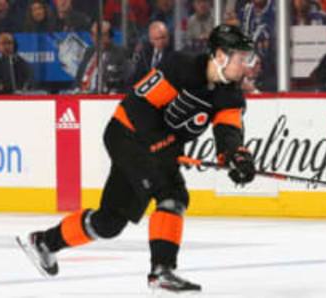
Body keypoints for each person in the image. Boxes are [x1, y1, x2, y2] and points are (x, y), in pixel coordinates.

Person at [17, 24, 256, 293]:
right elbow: (140, 106)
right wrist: (162, 144)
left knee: (110, 223)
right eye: (241, 57)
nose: (246, 65)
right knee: (172, 193)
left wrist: (236, 157)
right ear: (221, 55)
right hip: (126, 133)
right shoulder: (182, 67)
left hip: (155, 149)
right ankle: (161, 271)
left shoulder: (231, 95)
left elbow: (228, 133)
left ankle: (45, 243)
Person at [75, 21, 131, 93]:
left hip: (103, 95)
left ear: (110, 36)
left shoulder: (120, 53)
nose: (97, 38)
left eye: (101, 35)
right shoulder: (89, 51)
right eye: (94, 35)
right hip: (81, 94)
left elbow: (123, 81)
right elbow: (78, 77)